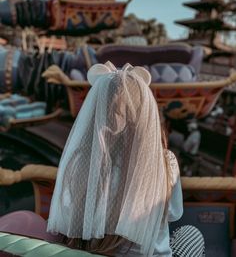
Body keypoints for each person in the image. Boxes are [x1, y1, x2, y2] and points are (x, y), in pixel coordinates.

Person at [47, 61, 205, 256]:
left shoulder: (79, 160)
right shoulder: (165, 163)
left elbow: (69, 216)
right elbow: (174, 214)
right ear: (145, 115)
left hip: (93, 253)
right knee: (192, 234)